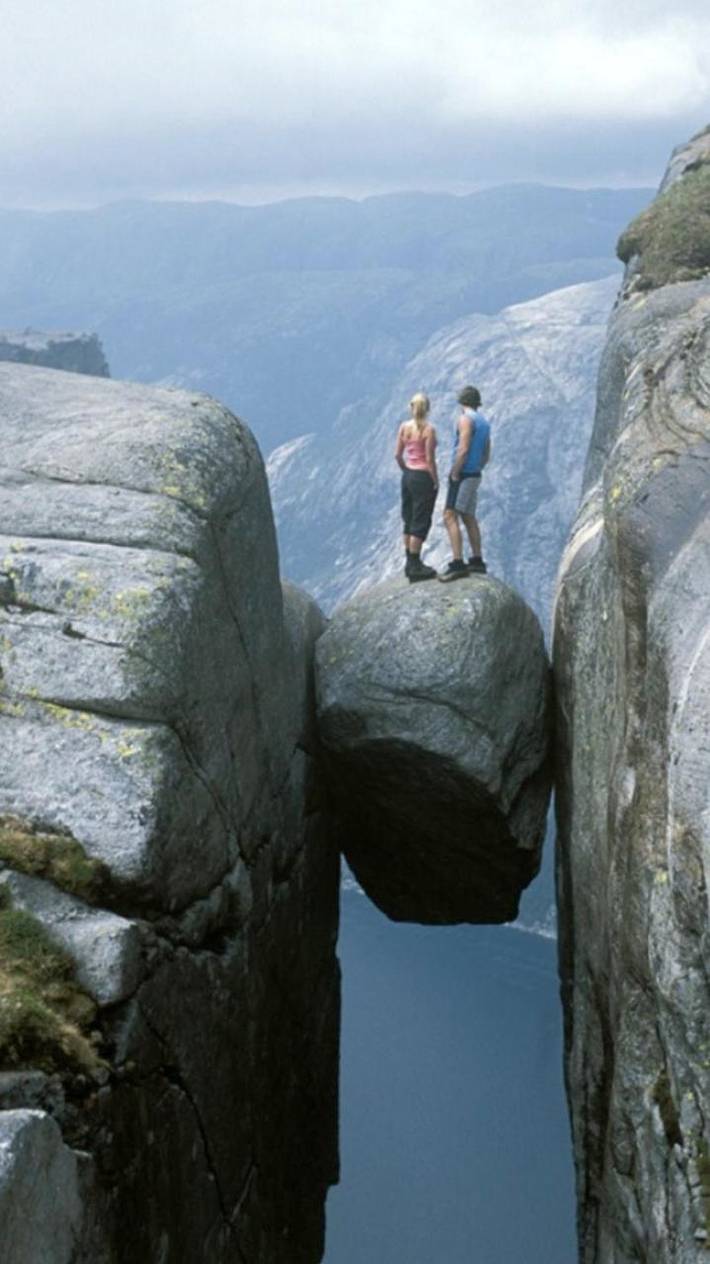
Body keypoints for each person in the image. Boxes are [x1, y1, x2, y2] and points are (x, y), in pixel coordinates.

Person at [439, 385, 491, 582]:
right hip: (475, 474)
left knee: (449, 515)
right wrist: (477, 468)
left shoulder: (465, 419)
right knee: (469, 516)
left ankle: (457, 563)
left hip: (463, 474)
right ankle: (477, 560)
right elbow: (486, 453)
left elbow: (463, 448)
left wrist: (455, 472)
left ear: (462, 402)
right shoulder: (484, 423)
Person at [395, 392, 439, 582]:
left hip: (408, 476)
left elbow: (397, 455)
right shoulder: (428, 430)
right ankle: (415, 564)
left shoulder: (404, 428)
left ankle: (409, 562)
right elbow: (429, 459)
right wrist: (435, 479)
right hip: (422, 476)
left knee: (409, 517)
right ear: (427, 408)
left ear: (411, 408)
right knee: (421, 519)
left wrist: (406, 470)